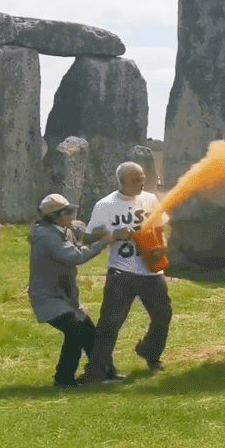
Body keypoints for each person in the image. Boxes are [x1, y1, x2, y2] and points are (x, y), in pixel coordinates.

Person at [83, 162, 172, 383]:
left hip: (152, 271)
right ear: (122, 182)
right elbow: (88, 237)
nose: (142, 182)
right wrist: (115, 233)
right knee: (110, 322)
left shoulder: (150, 199)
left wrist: (162, 246)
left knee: (163, 315)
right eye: (136, 180)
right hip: (122, 272)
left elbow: (161, 227)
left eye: (142, 178)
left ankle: (150, 352)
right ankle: (97, 371)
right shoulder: (105, 205)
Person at [27, 193, 112, 390]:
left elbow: (78, 236)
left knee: (89, 332)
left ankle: (103, 373)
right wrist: (104, 241)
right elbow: (76, 256)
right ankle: (63, 379)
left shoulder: (58, 230)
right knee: (75, 332)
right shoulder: (47, 236)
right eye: (68, 212)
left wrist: (95, 235)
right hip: (48, 298)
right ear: (55, 217)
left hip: (63, 296)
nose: (72, 214)